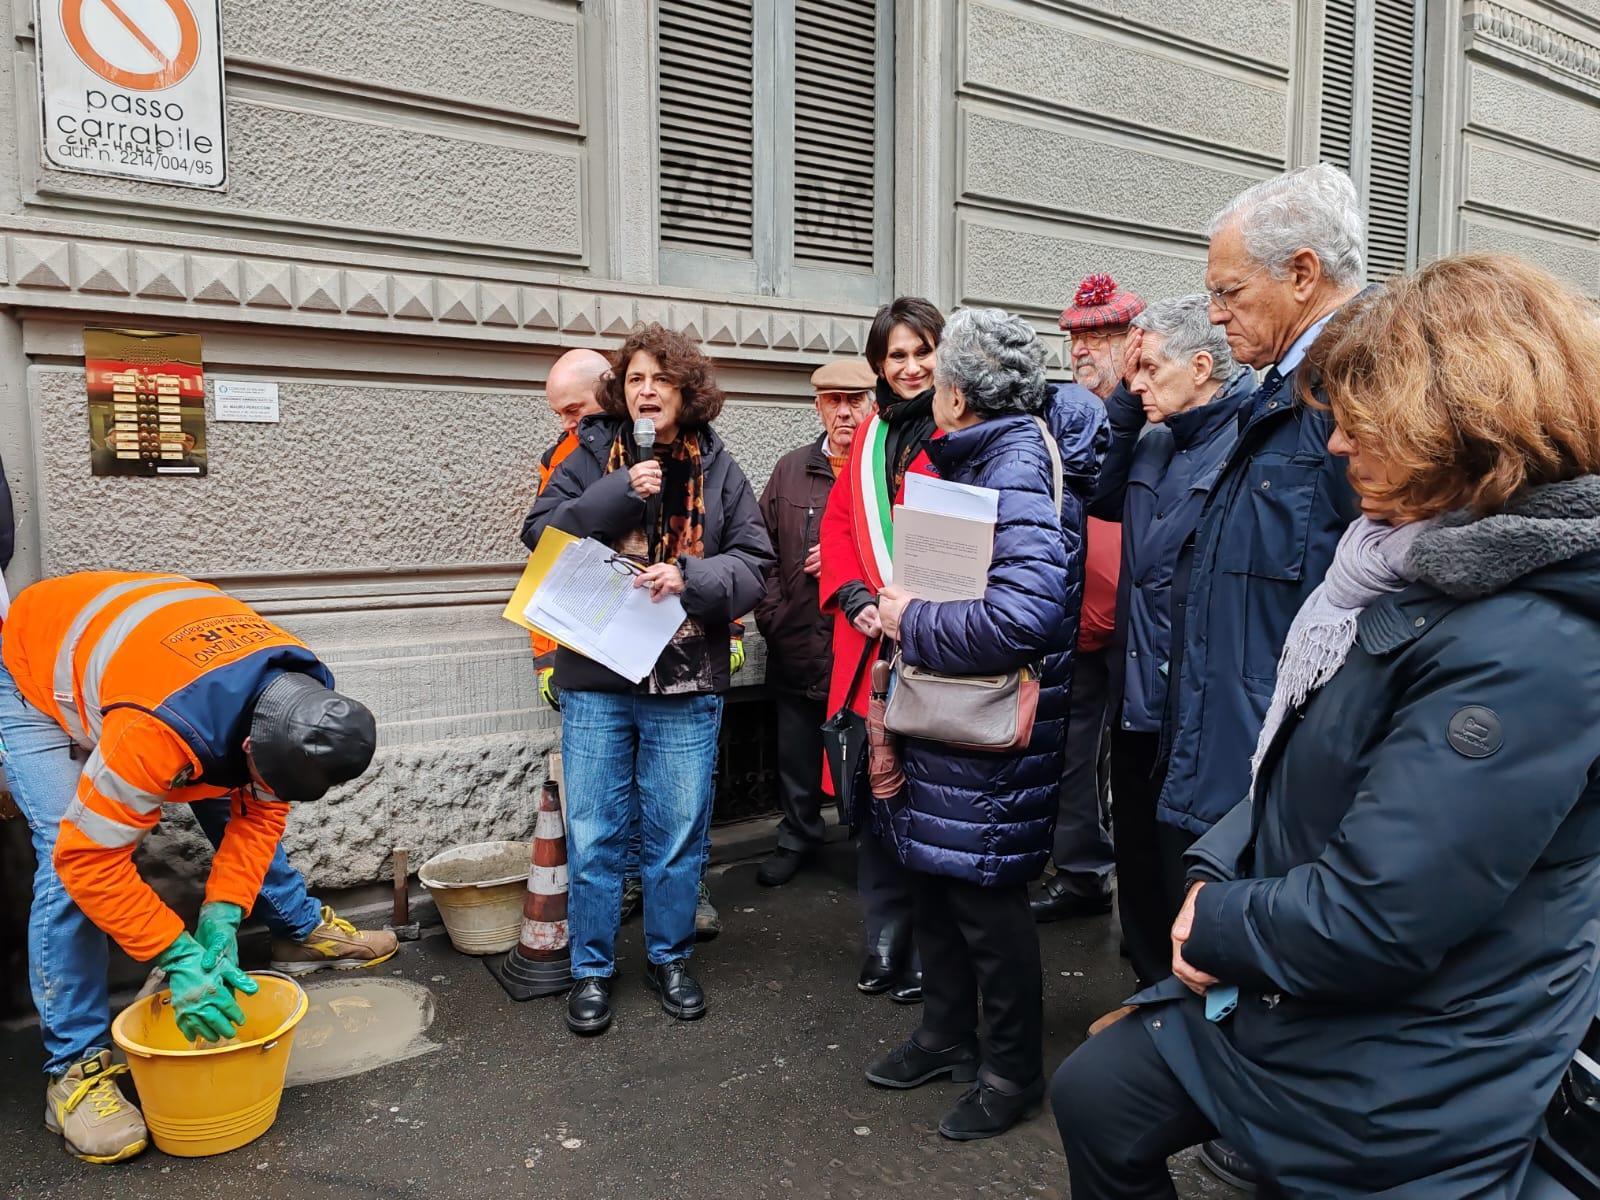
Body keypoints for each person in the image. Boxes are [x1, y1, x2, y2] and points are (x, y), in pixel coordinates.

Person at [1054, 252, 1600, 1198]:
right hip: (1331, 985)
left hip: (1417, 1056)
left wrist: (1218, 920)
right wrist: (1213, 878)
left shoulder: (1530, 641)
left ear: (1464, 423)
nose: (1339, 446)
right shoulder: (1407, 563)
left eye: (1361, 418)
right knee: (1099, 1096)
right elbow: (1301, 762)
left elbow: (1384, 916)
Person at [2, 571, 386, 1164]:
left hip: (162, 671)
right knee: (65, 852)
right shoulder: (157, 732)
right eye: (262, 775)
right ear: (252, 745)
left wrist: (223, 916)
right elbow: (89, 860)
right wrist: (176, 954)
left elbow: (258, 814)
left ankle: (295, 927)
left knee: (238, 797)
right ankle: (73, 1072)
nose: (267, 792)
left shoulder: (300, 696)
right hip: (34, 668)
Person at [1149, 164, 1366, 1188]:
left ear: (1304, 274)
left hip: (1275, 793)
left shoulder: (1349, 404)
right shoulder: (1282, 399)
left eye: (1230, 291)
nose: (1214, 313)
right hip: (1238, 774)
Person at [865, 307, 1103, 1141]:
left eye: (935, 380)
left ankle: (1010, 1075)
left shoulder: (1015, 469)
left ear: (958, 397)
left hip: (989, 730)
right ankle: (944, 1035)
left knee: (988, 903)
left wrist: (909, 621)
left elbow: (1028, 617)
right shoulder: (980, 456)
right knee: (936, 882)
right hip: (950, 717)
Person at [522, 323, 771, 1038]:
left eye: (661, 378)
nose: (647, 390)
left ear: (686, 392)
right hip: (598, 679)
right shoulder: (588, 455)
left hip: (687, 681)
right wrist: (616, 493)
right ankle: (593, 971)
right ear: (620, 391)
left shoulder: (720, 467)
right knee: (596, 833)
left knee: (675, 834)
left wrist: (689, 576)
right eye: (635, 378)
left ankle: (669, 958)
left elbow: (755, 563)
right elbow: (541, 537)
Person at [1088, 295, 1255, 999]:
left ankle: (1184, 1020)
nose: (1136, 383)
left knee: (1182, 868)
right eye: (1133, 370)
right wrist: (1127, 415)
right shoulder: (1153, 436)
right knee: (1138, 865)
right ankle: (1146, 1004)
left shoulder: (1247, 437)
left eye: (1149, 369)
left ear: (1202, 364)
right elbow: (1096, 496)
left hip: (1196, 706)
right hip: (1136, 697)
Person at [818, 296, 943, 1005]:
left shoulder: (964, 427)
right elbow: (839, 530)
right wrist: (857, 598)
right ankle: (885, 938)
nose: (911, 366)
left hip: (935, 643)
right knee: (875, 805)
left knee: (929, 802)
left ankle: (930, 947)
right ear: (878, 366)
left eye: (922, 351)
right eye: (896, 355)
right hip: (869, 647)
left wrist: (913, 610)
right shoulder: (865, 439)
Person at [1032, 273, 1143, 922]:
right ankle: (1081, 871)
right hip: (1070, 621)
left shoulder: (1156, 413)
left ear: (1130, 344)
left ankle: (1116, 882)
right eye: (1075, 335)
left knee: (1122, 760)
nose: (1082, 348)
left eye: (1099, 336)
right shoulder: (1057, 415)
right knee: (1071, 754)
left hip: (1132, 628)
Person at [753, 358, 875, 887]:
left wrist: (849, 562)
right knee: (796, 750)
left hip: (862, 643)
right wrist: (772, 617)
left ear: (874, 404)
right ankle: (797, 834)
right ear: (818, 406)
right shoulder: (790, 469)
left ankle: (869, 847)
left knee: (871, 752)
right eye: (833, 400)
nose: (844, 412)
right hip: (797, 637)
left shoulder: (882, 467)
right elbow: (760, 549)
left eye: (855, 400)